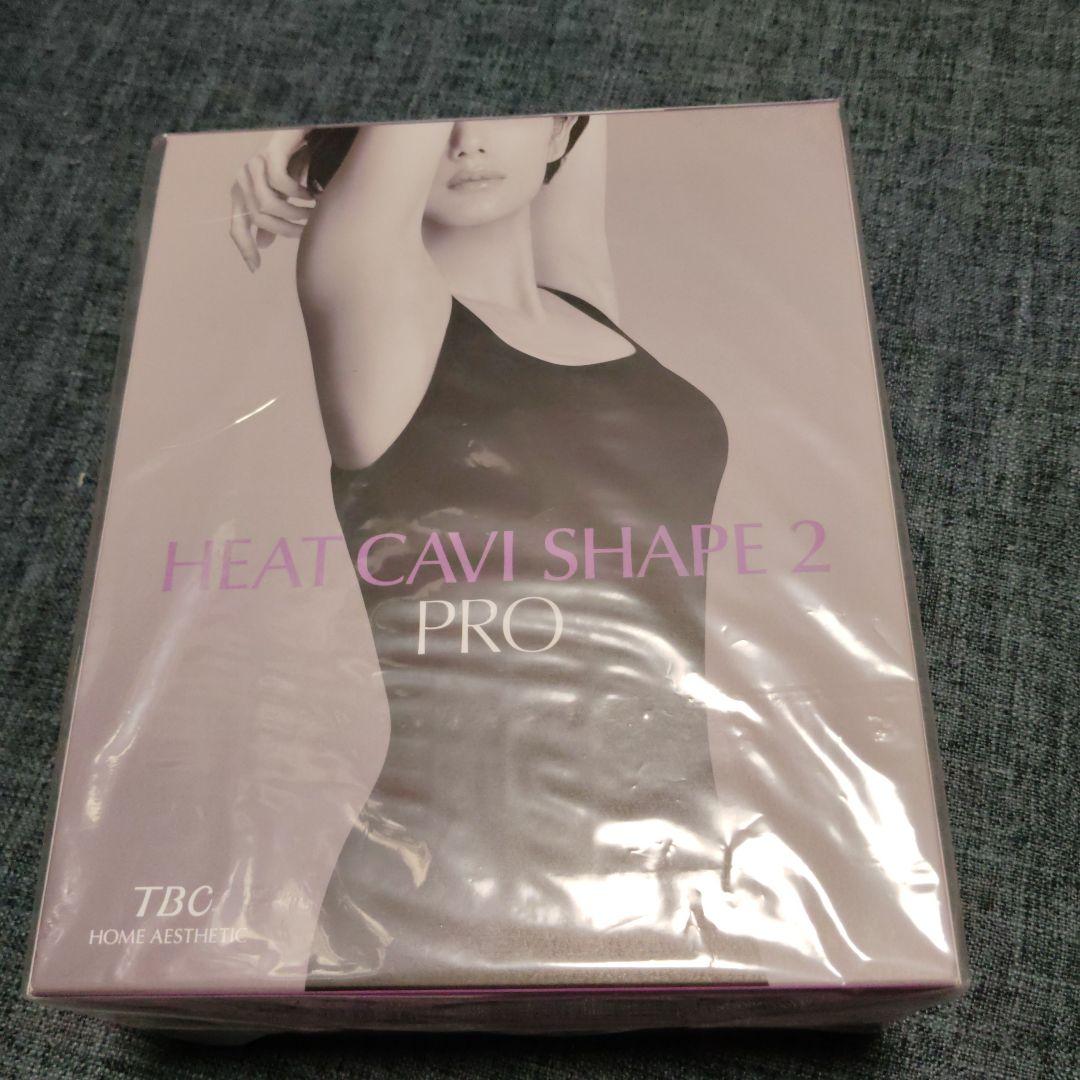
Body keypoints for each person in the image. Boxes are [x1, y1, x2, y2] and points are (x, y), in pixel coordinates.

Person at [229, 115, 760, 988]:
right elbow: (422, 94)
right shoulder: (372, 302)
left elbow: (571, 83)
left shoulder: (575, 296)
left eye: (503, 116)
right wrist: (315, 116)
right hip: (448, 893)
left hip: (668, 872)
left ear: (557, 133)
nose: (468, 139)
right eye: (442, 122)